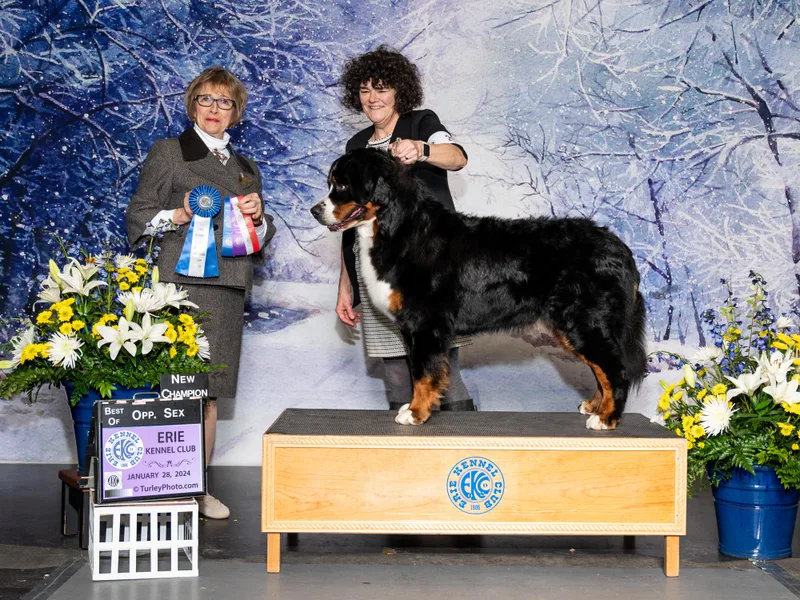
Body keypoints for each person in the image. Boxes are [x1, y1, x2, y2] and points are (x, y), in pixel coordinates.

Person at [126, 66, 276, 519]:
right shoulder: (169, 152)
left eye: (225, 102)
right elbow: (138, 218)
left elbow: (259, 239)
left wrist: (258, 219)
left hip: (228, 287)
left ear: (236, 112)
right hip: (181, 286)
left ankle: (196, 489)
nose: (215, 110)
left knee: (208, 393)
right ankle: (163, 486)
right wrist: (180, 213)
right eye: (206, 100)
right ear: (192, 106)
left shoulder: (247, 169)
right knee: (177, 390)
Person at [337, 45, 475, 412]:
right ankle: (407, 456)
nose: (372, 98)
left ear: (399, 91)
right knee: (396, 372)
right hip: (376, 275)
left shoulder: (421, 123)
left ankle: (459, 451)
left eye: (381, 88)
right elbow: (352, 223)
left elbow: (458, 157)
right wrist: (345, 286)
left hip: (425, 272)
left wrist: (422, 149)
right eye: (365, 90)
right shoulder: (356, 145)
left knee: (441, 367)